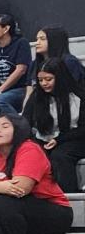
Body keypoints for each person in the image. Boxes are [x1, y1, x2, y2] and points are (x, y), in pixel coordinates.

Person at [25, 56, 85, 192]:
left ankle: (68, 194)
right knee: (33, 153)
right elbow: (25, 122)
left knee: (60, 156)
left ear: (60, 77)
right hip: (45, 138)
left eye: (48, 79)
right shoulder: (37, 96)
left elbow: (83, 129)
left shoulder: (78, 95)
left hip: (74, 139)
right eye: (40, 80)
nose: (44, 83)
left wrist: (58, 140)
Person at [0, 13, 33, 115]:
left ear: (6, 29)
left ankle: (19, 123)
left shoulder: (21, 43)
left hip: (20, 89)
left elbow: (21, 70)